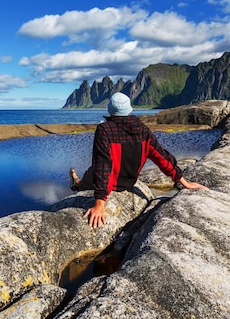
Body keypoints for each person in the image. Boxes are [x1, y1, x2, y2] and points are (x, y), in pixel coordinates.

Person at [69, 92, 207, 228]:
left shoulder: (104, 130)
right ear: (129, 109)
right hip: (129, 184)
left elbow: (102, 166)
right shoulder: (142, 130)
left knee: (90, 174)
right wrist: (184, 182)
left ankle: (76, 182)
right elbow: (162, 157)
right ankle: (77, 181)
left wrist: (100, 203)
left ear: (110, 110)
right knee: (92, 171)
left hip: (108, 185)